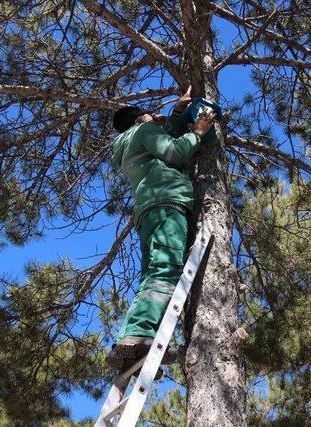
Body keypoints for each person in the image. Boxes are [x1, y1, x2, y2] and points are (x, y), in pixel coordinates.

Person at [106, 86, 217, 370]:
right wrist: (199, 132)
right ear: (139, 119)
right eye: (149, 115)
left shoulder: (130, 143)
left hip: (148, 210)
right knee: (165, 270)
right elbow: (174, 150)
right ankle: (142, 335)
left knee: (151, 276)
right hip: (167, 204)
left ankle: (130, 339)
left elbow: (165, 137)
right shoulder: (144, 132)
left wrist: (179, 112)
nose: (156, 117)